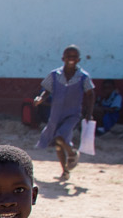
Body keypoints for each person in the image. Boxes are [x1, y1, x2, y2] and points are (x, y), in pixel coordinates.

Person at [33, 45, 95, 181]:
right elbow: (46, 91)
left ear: (78, 60)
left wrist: (89, 113)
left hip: (72, 114)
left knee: (60, 137)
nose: (71, 59)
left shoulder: (83, 77)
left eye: (74, 57)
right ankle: (65, 171)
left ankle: (73, 154)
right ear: (63, 58)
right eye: (68, 56)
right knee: (59, 144)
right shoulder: (55, 75)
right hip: (56, 114)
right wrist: (40, 99)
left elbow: (90, 94)